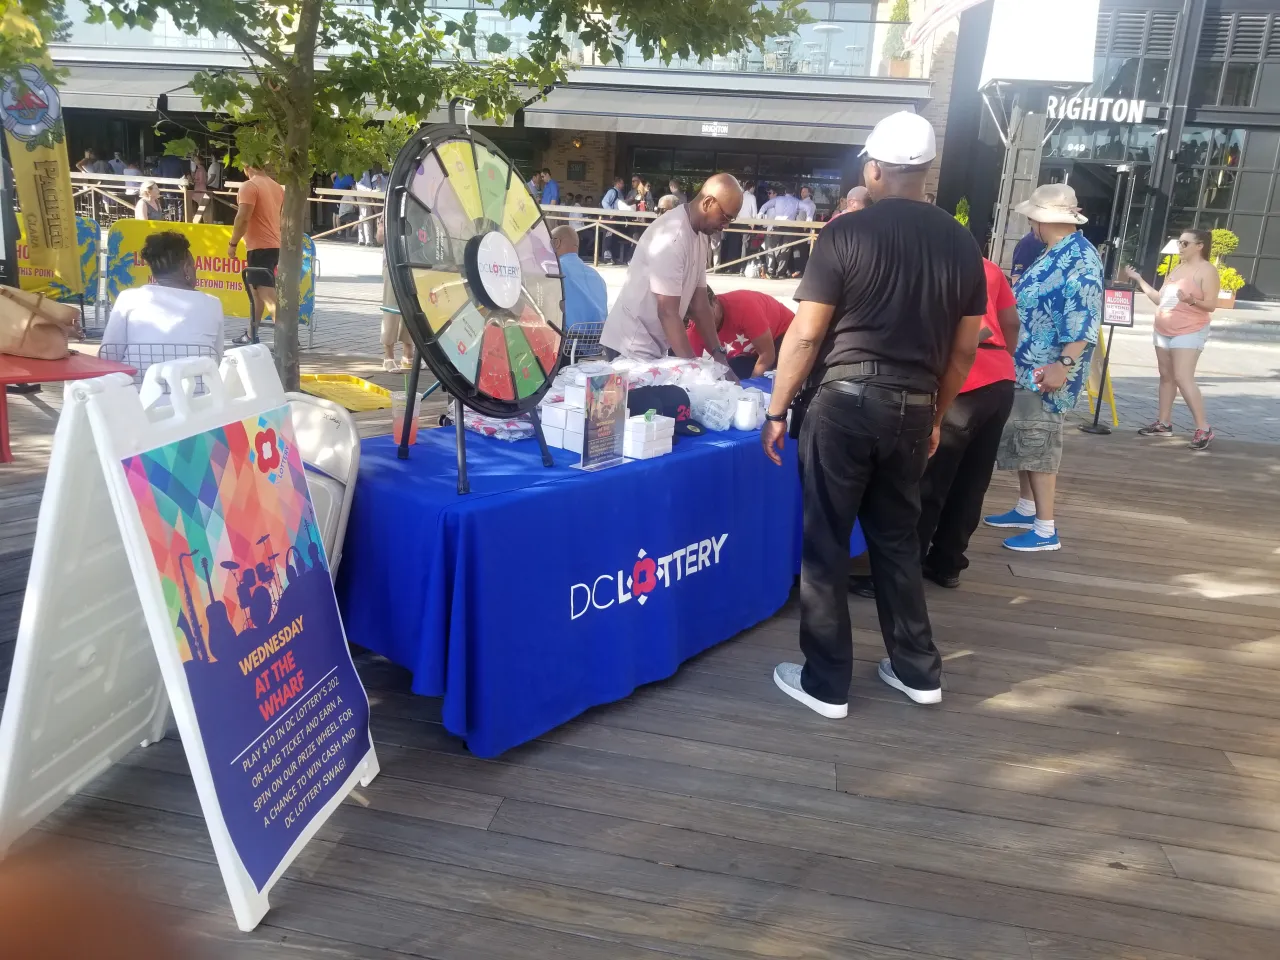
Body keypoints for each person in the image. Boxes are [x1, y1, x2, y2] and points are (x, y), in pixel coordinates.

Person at [762, 111, 986, 717]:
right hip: (914, 407)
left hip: (844, 403)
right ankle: (918, 671)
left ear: (876, 168)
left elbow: (806, 337)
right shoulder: (962, 243)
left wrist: (778, 409)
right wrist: (936, 412)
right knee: (896, 540)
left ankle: (827, 683)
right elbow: (966, 348)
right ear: (927, 169)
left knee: (826, 541)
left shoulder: (846, 233)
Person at [984, 183, 1103, 552]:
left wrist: (1063, 364)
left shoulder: (1079, 258)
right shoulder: (1056, 251)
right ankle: (1026, 507)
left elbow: (1083, 318)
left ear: (1039, 219)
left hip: (1047, 368)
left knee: (1040, 439)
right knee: (1026, 435)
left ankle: (1046, 527)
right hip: (1029, 363)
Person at [917, 257, 1020, 588]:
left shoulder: (930, 262)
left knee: (930, 480)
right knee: (973, 480)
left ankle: (903, 569)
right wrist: (1004, 360)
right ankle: (948, 563)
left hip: (961, 378)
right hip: (1000, 376)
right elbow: (1011, 322)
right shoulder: (988, 266)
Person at [600, 173, 743, 364]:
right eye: (725, 217)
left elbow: (699, 304)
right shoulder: (673, 236)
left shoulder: (701, 234)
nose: (725, 226)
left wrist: (719, 355)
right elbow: (667, 312)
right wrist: (692, 370)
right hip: (629, 346)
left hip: (652, 345)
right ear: (708, 203)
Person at [1125, 228, 1218, 449]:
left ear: (1199, 246)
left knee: (1183, 377)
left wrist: (1191, 300)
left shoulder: (1207, 271)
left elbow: (1211, 305)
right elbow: (1160, 299)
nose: (1180, 247)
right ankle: (1164, 423)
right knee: (1166, 376)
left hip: (1189, 330)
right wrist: (1139, 279)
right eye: (1179, 243)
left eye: (1185, 243)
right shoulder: (1177, 268)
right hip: (1163, 329)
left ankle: (1203, 428)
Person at [101, 231, 225, 367]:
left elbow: (108, 355)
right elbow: (217, 357)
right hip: (199, 386)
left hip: (138, 386)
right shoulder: (213, 303)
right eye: (193, 266)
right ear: (187, 269)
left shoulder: (129, 298)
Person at [228, 164, 285, 344]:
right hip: (273, 244)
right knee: (257, 293)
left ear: (247, 166)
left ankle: (285, 338)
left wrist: (233, 243)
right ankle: (252, 333)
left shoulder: (249, 186)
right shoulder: (276, 187)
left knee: (267, 295)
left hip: (259, 247)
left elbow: (243, 217)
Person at [686, 288, 794, 378]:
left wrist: (750, 386)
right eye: (696, 319)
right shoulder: (694, 329)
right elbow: (691, 370)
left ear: (715, 301)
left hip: (782, 335)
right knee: (731, 373)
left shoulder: (744, 307)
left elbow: (767, 355)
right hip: (749, 354)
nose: (704, 323)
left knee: (789, 372)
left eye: (707, 315)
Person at [552, 224, 608, 333]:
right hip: (595, 345)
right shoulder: (597, 277)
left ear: (556, 243)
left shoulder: (554, 271)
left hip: (566, 344)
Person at [760, 184, 800, 279]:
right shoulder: (789, 202)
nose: (768, 195)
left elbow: (770, 216)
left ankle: (774, 271)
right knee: (778, 249)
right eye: (768, 193)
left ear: (776, 194)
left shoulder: (777, 202)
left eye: (770, 193)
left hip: (774, 228)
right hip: (778, 228)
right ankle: (778, 271)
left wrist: (761, 215)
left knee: (775, 249)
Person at [357, 163, 386, 246]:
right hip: (364, 195)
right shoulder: (362, 170)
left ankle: (364, 239)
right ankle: (367, 240)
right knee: (365, 216)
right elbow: (359, 185)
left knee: (364, 216)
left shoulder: (369, 172)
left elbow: (371, 184)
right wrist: (370, 192)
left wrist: (376, 183)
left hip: (369, 196)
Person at [600, 176, 625, 264]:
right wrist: (611, 212)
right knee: (608, 236)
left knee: (613, 237)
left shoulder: (619, 193)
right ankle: (607, 257)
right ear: (618, 183)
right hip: (611, 217)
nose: (623, 185)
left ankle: (612, 257)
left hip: (617, 218)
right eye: (622, 183)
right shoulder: (612, 191)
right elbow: (604, 202)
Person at [331, 171, 357, 239]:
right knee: (337, 213)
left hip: (335, 191)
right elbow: (353, 187)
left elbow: (332, 176)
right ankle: (338, 232)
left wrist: (334, 184)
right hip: (338, 193)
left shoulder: (341, 170)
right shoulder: (350, 178)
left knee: (335, 212)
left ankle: (335, 231)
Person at [187, 155, 208, 221]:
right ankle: (199, 219)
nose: (195, 161)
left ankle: (200, 219)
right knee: (199, 204)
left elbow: (201, 180)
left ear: (199, 161)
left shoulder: (201, 169)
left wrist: (193, 181)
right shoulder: (199, 169)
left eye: (196, 160)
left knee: (200, 204)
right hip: (198, 188)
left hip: (200, 188)